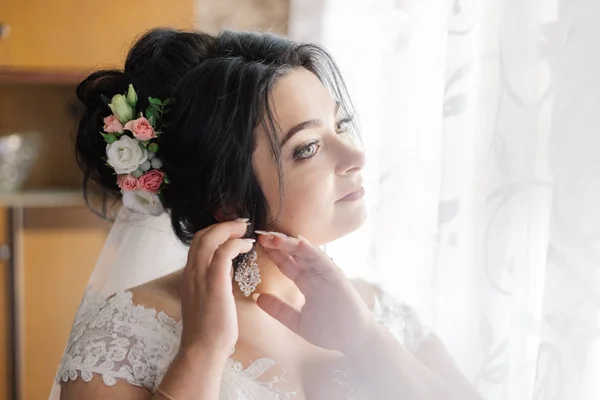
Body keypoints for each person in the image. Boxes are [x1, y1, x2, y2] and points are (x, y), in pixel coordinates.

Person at [51, 28, 481, 399]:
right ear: (229, 198)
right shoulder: (124, 336)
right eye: (307, 147)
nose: (355, 155)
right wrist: (202, 351)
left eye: (341, 125)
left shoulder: (380, 313)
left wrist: (367, 340)